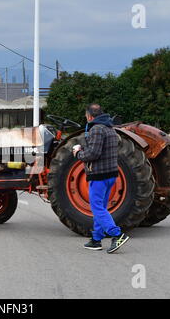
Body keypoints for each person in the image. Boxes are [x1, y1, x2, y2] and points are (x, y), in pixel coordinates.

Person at [72, 104, 130, 253]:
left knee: (96, 208)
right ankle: (96, 239)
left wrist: (78, 153)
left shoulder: (96, 129)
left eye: (86, 116)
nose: (86, 118)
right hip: (111, 174)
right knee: (101, 208)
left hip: (99, 176)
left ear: (90, 116)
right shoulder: (109, 128)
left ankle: (117, 235)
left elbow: (93, 154)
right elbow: (100, 151)